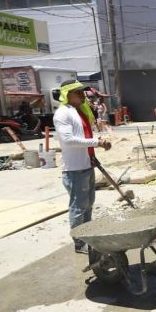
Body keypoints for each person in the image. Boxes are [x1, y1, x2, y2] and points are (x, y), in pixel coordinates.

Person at [53, 80, 112, 254]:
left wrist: (92, 155)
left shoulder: (79, 112)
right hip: (74, 169)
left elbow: (83, 136)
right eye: (76, 92)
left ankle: (88, 235)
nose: (81, 94)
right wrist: (97, 142)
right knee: (78, 207)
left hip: (86, 164)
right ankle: (79, 242)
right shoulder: (63, 113)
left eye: (81, 91)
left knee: (88, 204)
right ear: (66, 94)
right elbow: (68, 140)